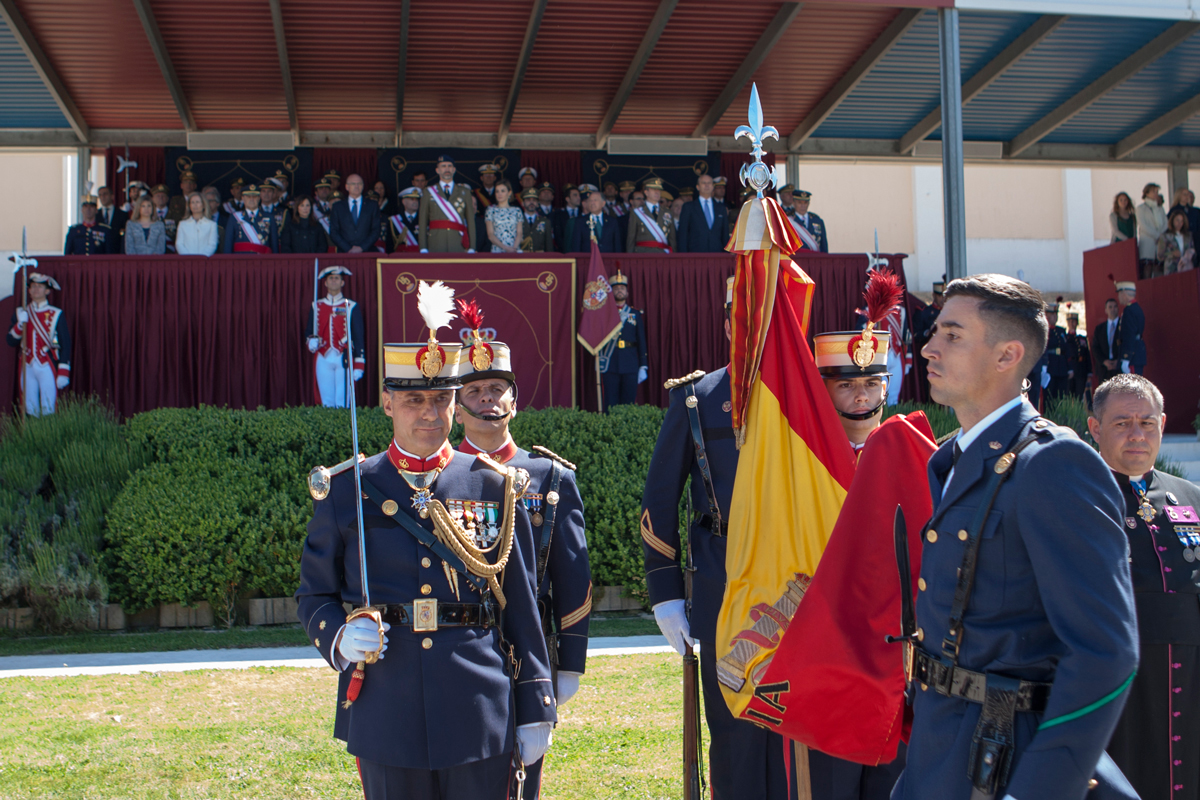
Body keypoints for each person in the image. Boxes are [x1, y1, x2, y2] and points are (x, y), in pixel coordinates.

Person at [296, 281, 555, 800]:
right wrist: (339, 638)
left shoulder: (492, 485)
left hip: (478, 702)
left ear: (456, 404)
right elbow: (314, 594)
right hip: (386, 703)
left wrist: (536, 705)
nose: (430, 414)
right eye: (414, 400)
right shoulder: (349, 490)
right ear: (387, 403)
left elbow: (522, 606)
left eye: (441, 400)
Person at [894, 273, 1138, 800]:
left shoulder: (1052, 463)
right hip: (943, 750)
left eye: (953, 335)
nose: (930, 348)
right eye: (935, 332)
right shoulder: (951, 457)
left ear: (1008, 356)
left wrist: (1038, 790)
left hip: (1008, 755)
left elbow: (1106, 652)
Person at [643, 278, 788, 800]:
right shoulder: (696, 399)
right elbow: (660, 498)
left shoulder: (810, 395)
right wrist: (665, 595)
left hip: (797, 584)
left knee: (795, 732)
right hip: (722, 582)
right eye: (741, 320)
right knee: (734, 731)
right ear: (727, 326)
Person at [453, 308, 592, 798]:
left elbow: (572, 575)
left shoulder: (551, 477)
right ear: (456, 408)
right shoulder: (436, 479)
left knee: (518, 781)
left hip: (527, 653)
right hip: (458, 646)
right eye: (474, 391)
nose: (487, 400)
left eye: (497, 389)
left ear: (515, 400)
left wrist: (570, 662)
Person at [807, 278, 908, 797]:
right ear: (823, 389)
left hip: (895, 651)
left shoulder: (916, 454)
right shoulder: (802, 467)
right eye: (846, 385)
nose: (862, 395)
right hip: (827, 646)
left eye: (872, 382)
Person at [1091, 375, 1200, 800]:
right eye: (1122, 423)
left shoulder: (1190, 497)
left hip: (1191, 682)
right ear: (1095, 428)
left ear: (1163, 424)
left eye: (1147, 422)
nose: (1137, 434)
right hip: (1120, 688)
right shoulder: (1081, 498)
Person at [6, 272, 71, 416]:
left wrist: (63, 372)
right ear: (28, 290)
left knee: (49, 405)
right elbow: (10, 341)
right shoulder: (21, 312)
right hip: (27, 364)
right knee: (29, 406)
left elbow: (65, 344)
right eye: (33, 286)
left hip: (46, 363)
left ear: (47, 291)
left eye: (40, 286)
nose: (36, 289)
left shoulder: (56, 314)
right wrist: (20, 325)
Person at [303, 266, 365, 408]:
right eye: (330, 278)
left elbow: (358, 336)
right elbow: (309, 331)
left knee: (343, 399)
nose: (333, 281)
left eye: (337, 278)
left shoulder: (351, 306)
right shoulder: (316, 305)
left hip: (343, 356)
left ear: (342, 282)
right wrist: (311, 341)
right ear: (325, 283)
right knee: (326, 399)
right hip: (323, 356)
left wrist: (359, 364)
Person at [597, 270, 646, 410]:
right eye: (616, 288)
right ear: (611, 292)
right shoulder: (604, 314)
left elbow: (641, 341)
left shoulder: (635, 314)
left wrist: (643, 365)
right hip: (610, 362)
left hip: (630, 363)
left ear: (627, 293)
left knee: (628, 402)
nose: (620, 290)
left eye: (622, 288)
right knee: (610, 402)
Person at [418, 155, 476, 254]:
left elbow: (470, 221)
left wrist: (472, 247)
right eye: (443, 166)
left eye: (449, 166)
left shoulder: (464, 192)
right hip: (436, 242)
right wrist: (423, 247)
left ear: (454, 170)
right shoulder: (428, 192)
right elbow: (422, 222)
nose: (447, 169)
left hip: (458, 243)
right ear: (437, 170)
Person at [328, 174, 380, 254]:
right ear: (347, 187)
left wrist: (362, 248)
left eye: (359, 183)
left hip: (367, 252)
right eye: (353, 184)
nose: (356, 186)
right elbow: (334, 232)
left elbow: (376, 230)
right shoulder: (337, 207)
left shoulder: (372, 205)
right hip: (344, 253)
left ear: (363, 186)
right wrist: (348, 248)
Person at [676, 174, 729, 253]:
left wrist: (726, 255)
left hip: (717, 254)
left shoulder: (721, 209)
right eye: (703, 183)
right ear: (698, 187)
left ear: (713, 187)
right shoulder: (688, 207)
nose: (707, 185)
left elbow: (725, 235)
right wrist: (683, 256)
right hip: (695, 254)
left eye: (709, 183)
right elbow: (683, 234)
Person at [222, 184, 278, 254]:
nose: (251, 199)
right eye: (248, 196)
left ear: (259, 198)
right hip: (240, 259)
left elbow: (274, 245)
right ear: (242, 198)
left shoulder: (269, 218)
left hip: (262, 259)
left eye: (254, 196)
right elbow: (228, 244)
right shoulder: (234, 217)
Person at [627, 178, 676, 253]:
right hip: (643, 254)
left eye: (659, 190)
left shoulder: (668, 212)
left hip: (663, 254)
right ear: (646, 192)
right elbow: (631, 237)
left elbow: (672, 239)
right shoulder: (636, 212)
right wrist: (630, 257)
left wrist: (674, 256)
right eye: (653, 189)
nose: (657, 192)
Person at [570, 185, 621, 253]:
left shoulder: (612, 221)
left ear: (603, 203)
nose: (592, 203)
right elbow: (576, 246)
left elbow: (617, 245)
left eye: (595, 200)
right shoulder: (580, 221)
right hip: (588, 258)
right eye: (590, 200)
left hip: (608, 258)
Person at [1115, 279, 1146, 375]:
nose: (1118, 297)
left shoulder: (1129, 310)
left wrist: (1126, 357)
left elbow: (1129, 335)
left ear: (1124, 294)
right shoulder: (1136, 308)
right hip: (1136, 355)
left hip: (1132, 357)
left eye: (1119, 294)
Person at [1138, 182, 1168, 278]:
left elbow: (1165, 223)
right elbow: (1143, 225)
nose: (1156, 194)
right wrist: (1157, 235)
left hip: (1160, 242)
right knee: (1147, 267)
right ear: (1146, 193)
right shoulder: (1140, 208)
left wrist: (1161, 235)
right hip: (1148, 241)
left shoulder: (1160, 208)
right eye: (1153, 191)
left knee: (1158, 267)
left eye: (1157, 191)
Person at [1042, 297, 1070, 400]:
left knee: (1061, 395)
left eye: (1056, 314)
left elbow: (1066, 349)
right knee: (1049, 396)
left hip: (1062, 367)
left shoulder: (1061, 331)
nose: (1055, 316)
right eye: (1052, 314)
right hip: (1050, 366)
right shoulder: (1044, 331)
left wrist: (1069, 367)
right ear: (1047, 315)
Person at [484, 180, 523, 254]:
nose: (499, 194)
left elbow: (520, 233)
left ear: (509, 192)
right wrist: (506, 248)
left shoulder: (517, 210)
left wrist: (514, 249)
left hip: (514, 250)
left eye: (502, 191)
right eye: (497, 191)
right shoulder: (490, 210)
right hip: (497, 251)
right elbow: (490, 235)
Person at [1092, 297, 1121, 385]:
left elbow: (1126, 345)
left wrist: (1118, 361)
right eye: (1110, 307)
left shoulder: (1124, 326)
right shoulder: (1099, 328)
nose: (1113, 309)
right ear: (1106, 310)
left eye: (1115, 307)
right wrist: (1104, 361)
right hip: (1104, 369)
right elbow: (1095, 347)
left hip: (1119, 368)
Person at [1157, 207, 1195, 275]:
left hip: (1186, 269)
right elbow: (1160, 256)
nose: (1179, 223)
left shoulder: (1188, 236)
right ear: (1172, 220)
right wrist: (1172, 254)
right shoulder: (1165, 236)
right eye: (1177, 220)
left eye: (1181, 221)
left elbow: (1193, 250)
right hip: (1171, 270)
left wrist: (1190, 253)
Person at [1063, 308, 1090, 398]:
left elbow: (1087, 355)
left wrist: (1089, 371)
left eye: (1073, 321)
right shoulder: (1065, 337)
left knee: (1079, 395)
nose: (1071, 323)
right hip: (1070, 369)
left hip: (1081, 369)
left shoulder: (1081, 338)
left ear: (1077, 322)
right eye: (1070, 321)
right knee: (1068, 395)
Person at [388, 187, 422, 253]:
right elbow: (390, 245)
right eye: (412, 199)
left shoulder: (424, 219)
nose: (415, 202)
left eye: (417, 199)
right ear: (404, 202)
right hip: (401, 256)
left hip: (420, 256)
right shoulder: (394, 221)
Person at [520, 188, 552, 252]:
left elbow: (549, 245)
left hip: (539, 257)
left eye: (534, 200)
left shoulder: (545, 222)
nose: (531, 202)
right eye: (528, 200)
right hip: (522, 256)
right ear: (522, 203)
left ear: (538, 204)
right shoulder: (518, 221)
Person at [552, 185, 582, 253]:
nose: (579, 198)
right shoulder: (559, 215)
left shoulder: (583, 213)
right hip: (564, 252)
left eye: (579, 195)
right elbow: (558, 236)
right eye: (575, 195)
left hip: (581, 252)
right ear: (567, 199)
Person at [150, 183, 178, 253]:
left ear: (167, 199)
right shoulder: (149, 214)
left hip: (171, 250)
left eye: (163, 196)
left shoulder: (175, 214)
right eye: (158, 196)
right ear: (152, 199)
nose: (160, 198)